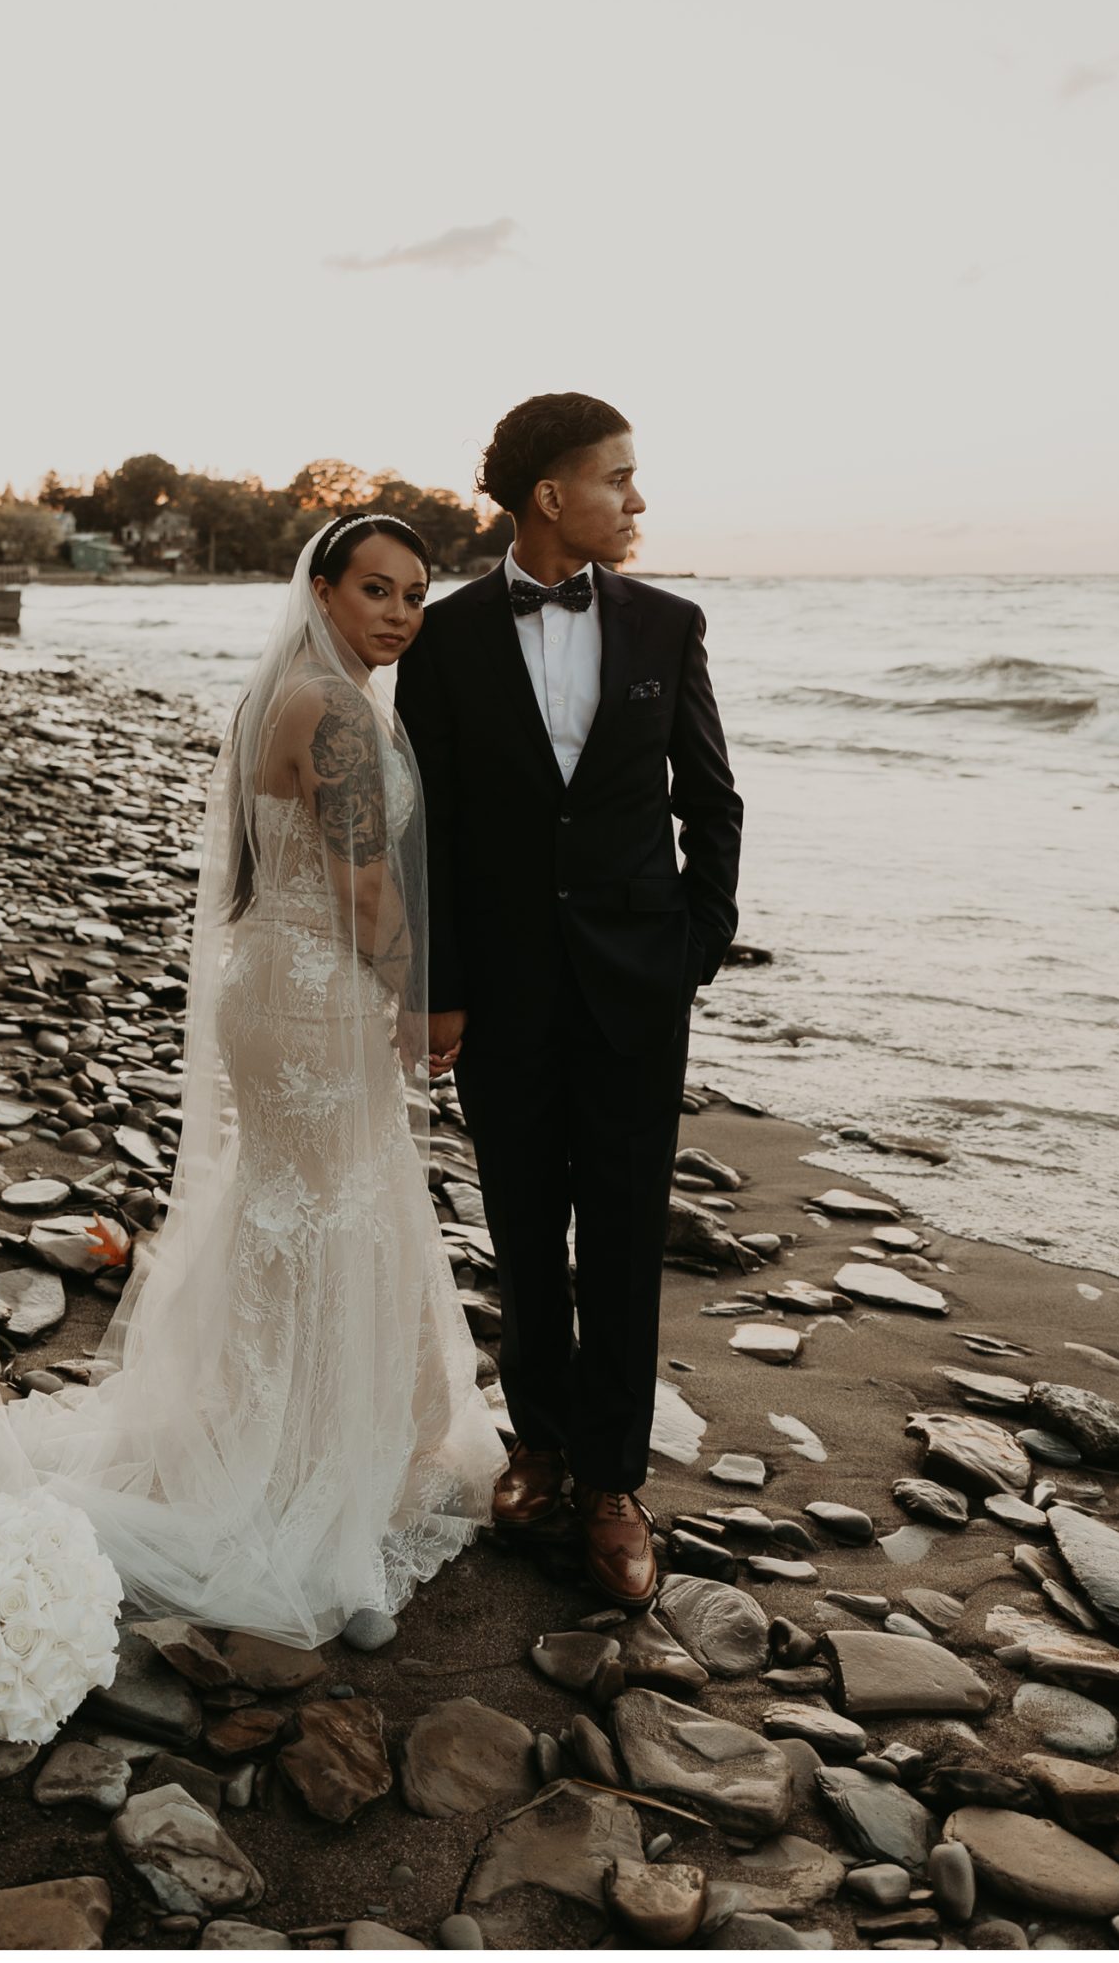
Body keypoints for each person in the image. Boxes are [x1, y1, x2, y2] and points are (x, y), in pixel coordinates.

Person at [0, 513, 503, 1675]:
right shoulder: (333, 709)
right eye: (377, 590)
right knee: (329, 1208)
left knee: (294, 1204)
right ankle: (307, 1487)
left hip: (283, 984)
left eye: (415, 595)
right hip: (317, 995)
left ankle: (297, 1438)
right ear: (325, 589)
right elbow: (353, 889)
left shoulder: (288, 691)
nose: (399, 613)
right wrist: (419, 996)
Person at [396, 392, 743, 1607]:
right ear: (552, 494)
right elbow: (421, 830)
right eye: (619, 478)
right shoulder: (441, 641)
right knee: (525, 1233)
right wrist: (438, 990)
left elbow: (710, 799)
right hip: (499, 993)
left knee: (626, 1235)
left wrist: (693, 943)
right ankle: (537, 1447)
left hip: (636, 985)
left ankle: (610, 1482)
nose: (635, 500)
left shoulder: (664, 623)